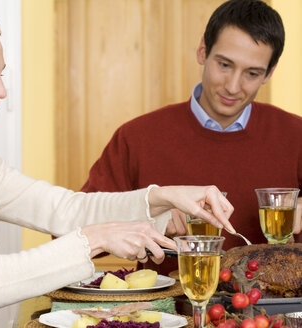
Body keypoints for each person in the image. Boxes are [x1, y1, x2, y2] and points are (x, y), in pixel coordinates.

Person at [0, 1, 233, 327]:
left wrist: (164, 196)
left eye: (1, 75)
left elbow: (66, 209)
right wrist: (93, 239)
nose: (1, 91)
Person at [82, 0, 302, 255]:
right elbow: (74, 235)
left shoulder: (295, 136)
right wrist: (146, 215)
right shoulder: (137, 137)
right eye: (224, 65)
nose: (232, 86)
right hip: (167, 296)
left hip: (274, 296)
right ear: (202, 51)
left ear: (269, 73)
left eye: (252, 73)